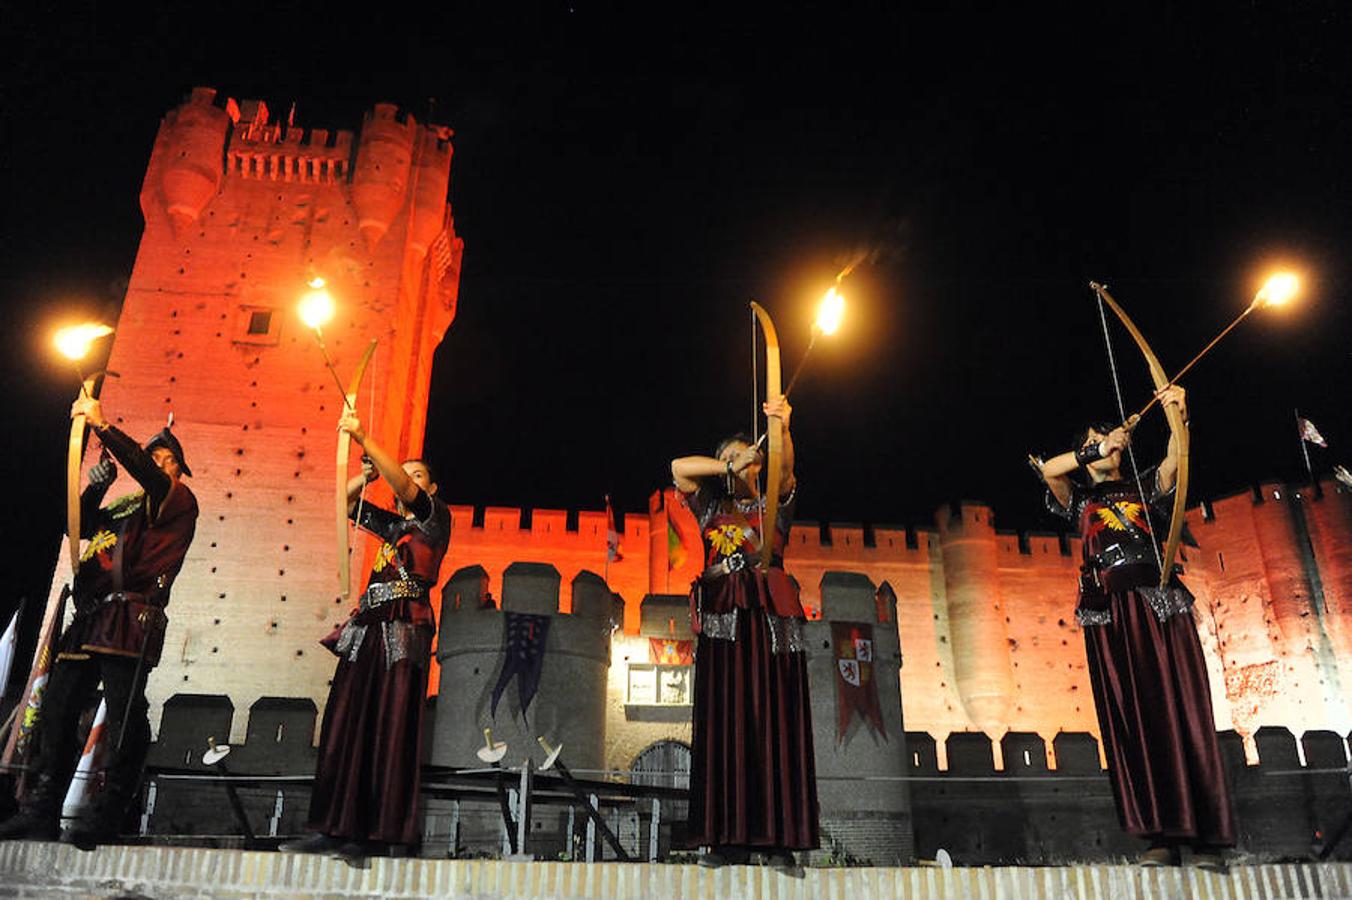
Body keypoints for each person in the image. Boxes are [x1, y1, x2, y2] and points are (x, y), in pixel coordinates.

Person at [1036, 385, 1234, 870]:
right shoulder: (1078, 496)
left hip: (1162, 602)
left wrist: (1177, 416)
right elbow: (1049, 470)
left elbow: (1174, 464)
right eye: (1095, 440)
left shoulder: (1145, 487)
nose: (1106, 443)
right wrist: (1095, 448)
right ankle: (1160, 835)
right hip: (1111, 611)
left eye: (1108, 437)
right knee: (1136, 723)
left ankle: (1207, 836)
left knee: (1184, 711)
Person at [0, 396, 198, 847]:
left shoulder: (177, 500)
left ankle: (109, 813)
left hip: (131, 614)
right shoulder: (130, 505)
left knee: (125, 714)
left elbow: (148, 476)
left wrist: (103, 426)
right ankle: (41, 810)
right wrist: (97, 488)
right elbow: (83, 526)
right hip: (90, 615)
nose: (162, 466)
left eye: (171, 462)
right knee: (57, 710)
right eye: (156, 459)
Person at [281, 412, 449, 859]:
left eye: (417, 477)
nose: (407, 482)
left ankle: (379, 833)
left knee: (388, 728)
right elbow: (344, 502)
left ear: (430, 490)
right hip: (369, 626)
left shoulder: (434, 520)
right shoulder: (394, 527)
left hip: (404, 626)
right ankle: (333, 828)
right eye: (405, 473)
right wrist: (363, 473)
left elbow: (406, 488)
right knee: (346, 723)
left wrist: (364, 438)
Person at [671, 394, 819, 870]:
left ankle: (779, 841)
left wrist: (782, 427)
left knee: (774, 724)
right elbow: (678, 467)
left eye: (751, 460)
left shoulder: (775, 503)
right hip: (722, 622)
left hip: (772, 621)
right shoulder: (710, 507)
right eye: (735, 459)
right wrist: (728, 463)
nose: (748, 466)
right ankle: (724, 839)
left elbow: (789, 469)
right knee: (725, 726)